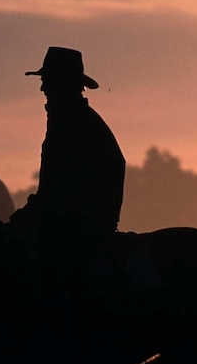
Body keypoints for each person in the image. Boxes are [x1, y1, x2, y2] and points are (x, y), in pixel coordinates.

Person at [11, 46, 126, 292]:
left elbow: (60, 187)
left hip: (79, 226)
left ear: (63, 83)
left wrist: (33, 211)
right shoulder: (72, 119)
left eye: (47, 81)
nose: (43, 89)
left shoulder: (74, 122)